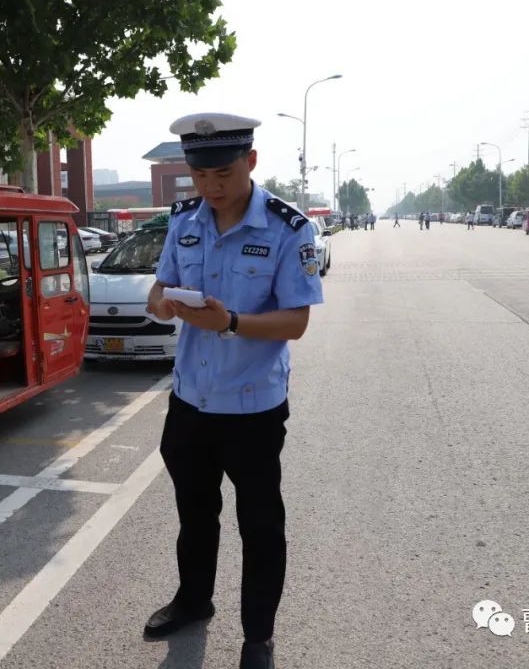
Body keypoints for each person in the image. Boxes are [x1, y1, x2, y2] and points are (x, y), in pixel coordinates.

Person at [144, 113, 323, 669]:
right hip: (190, 403)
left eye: (222, 173)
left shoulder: (288, 229)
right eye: (199, 176)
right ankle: (194, 600)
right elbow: (157, 291)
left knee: (261, 524)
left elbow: (295, 322)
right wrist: (163, 305)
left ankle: (257, 637)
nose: (210, 187)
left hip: (252, 408)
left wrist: (230, 323)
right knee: (194, 514)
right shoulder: (183, 221)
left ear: (250, 160)